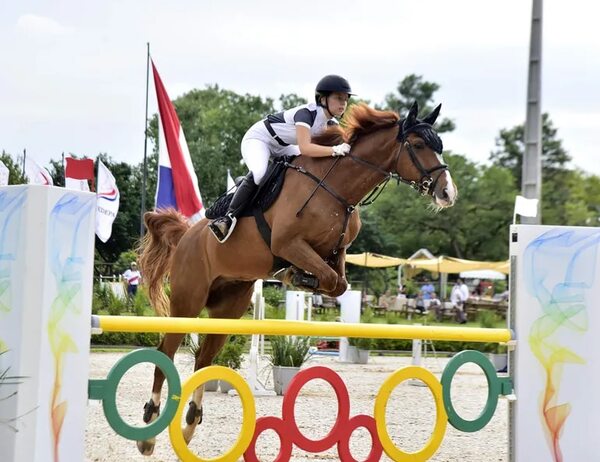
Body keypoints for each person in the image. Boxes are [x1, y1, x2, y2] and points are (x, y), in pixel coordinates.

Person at [208, 75, 354, 243]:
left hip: (283, 145)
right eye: (338, 98)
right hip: (260, 139)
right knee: (259, 173)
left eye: (345, 99)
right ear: (322, 99)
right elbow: (306, 148)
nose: (343, 103)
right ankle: (227, 218)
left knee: (303, 169)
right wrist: (335, 150)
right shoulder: (306, 114)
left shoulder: (331, 125)